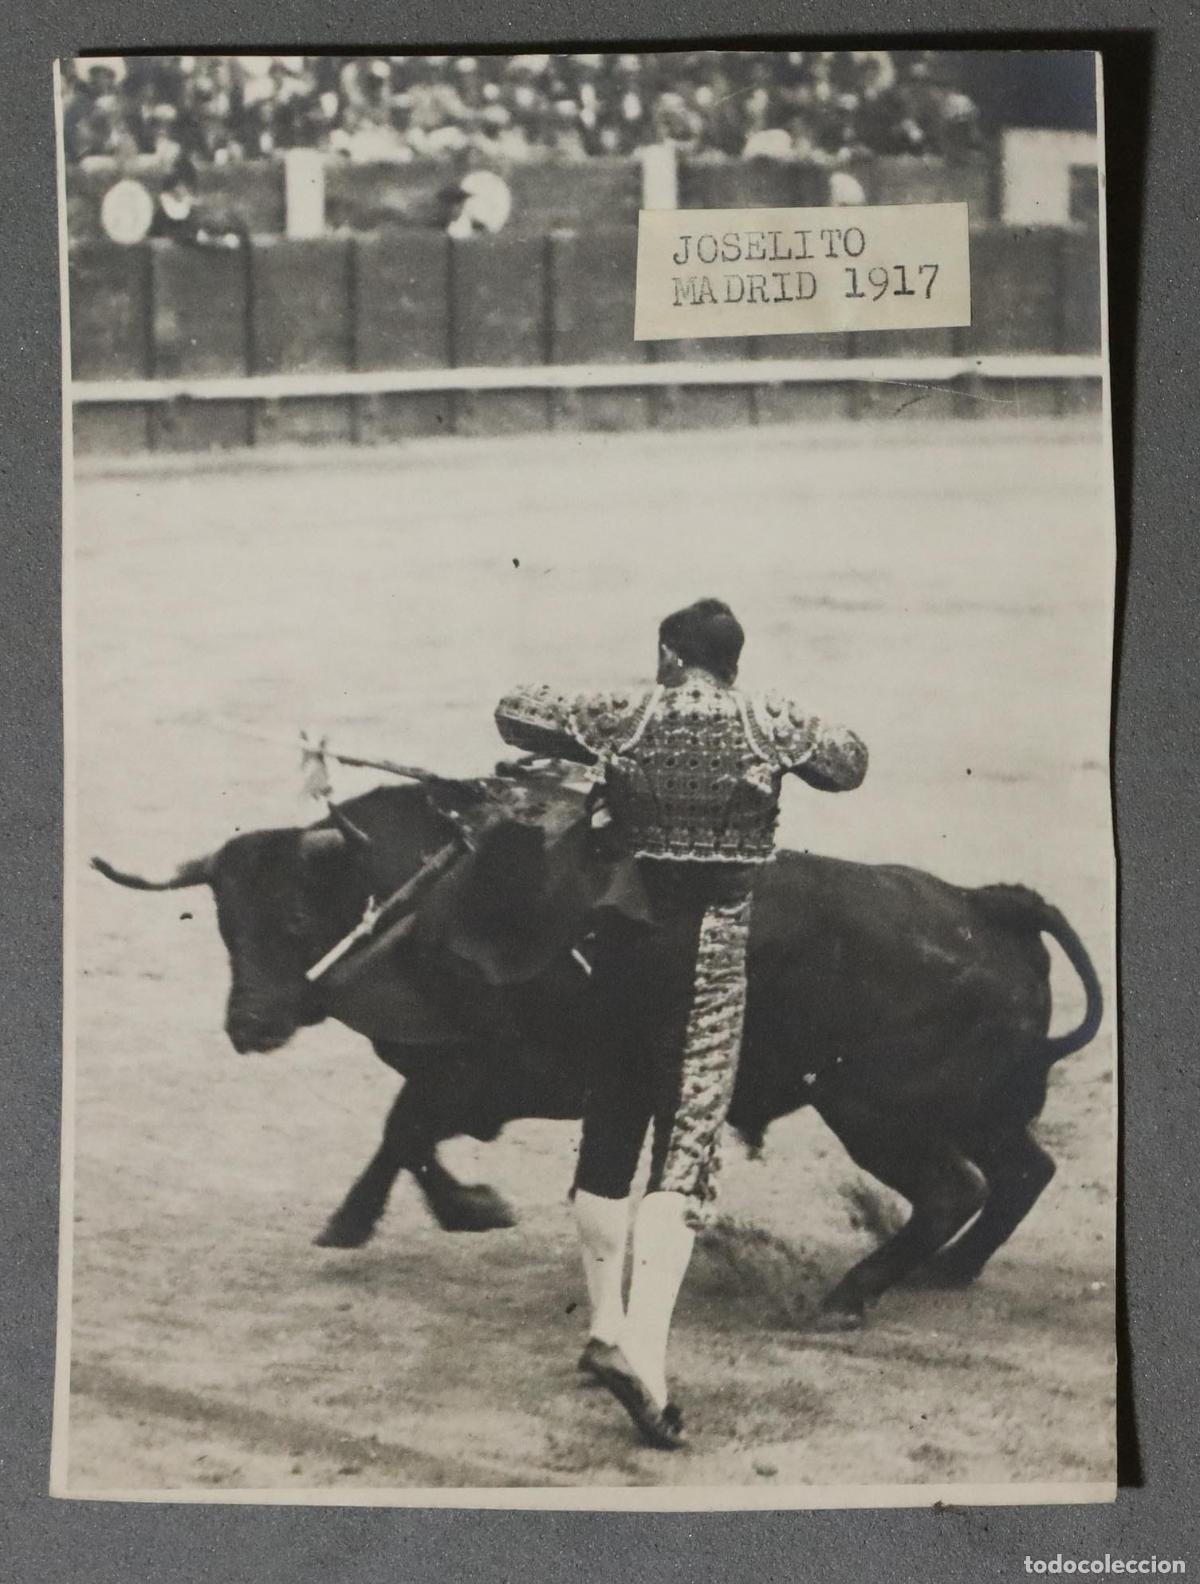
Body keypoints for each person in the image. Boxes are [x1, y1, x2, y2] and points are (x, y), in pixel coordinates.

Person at [494, 599, 867, 1449]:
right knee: (687, 1144)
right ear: (733, 660)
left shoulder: (628, 712)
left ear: (668, 655)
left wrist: (612, 720)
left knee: (612, 1123)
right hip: (710, 953)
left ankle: (602, 1324)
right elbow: (850, 762)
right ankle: (642, 1361)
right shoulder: (765, 721)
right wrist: (775, 726)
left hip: (624, 947)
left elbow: (515, 710)